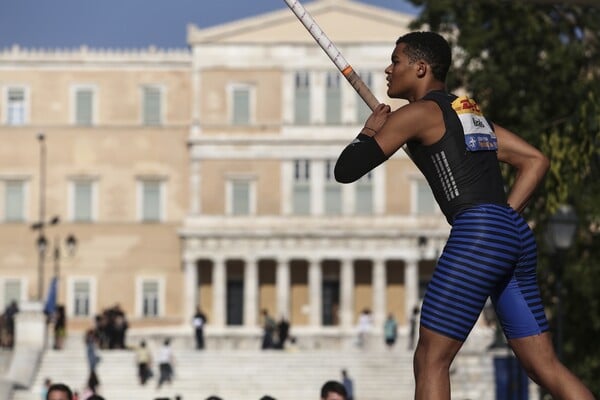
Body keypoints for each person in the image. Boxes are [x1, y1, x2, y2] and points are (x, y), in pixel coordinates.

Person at [334, 31, 594, 400]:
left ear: (421, 68)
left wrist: (368, 132)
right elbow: (535, 160)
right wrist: (503, 218)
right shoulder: (468, 114)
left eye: (396, 61)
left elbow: (347, 169)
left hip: (479, 230)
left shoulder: (417, 114)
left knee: (431, 359)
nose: (388, 70)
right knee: (544, 365)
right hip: (513, 233)